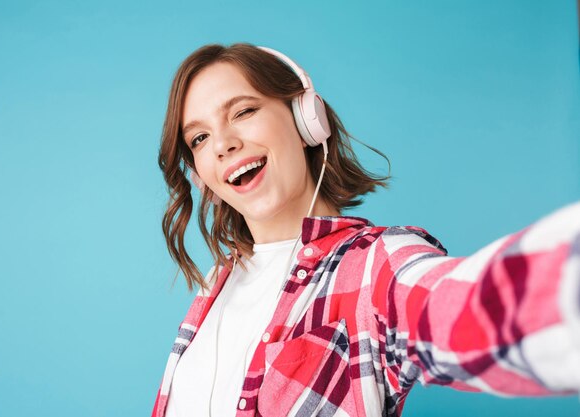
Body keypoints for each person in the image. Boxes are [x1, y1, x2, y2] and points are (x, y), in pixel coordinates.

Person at [151, 42, 580, 417]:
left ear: (306, 120)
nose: (223, 143)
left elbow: (474, 309)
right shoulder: (216, 285)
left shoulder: (376, 266)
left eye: (243, 111)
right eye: (200, 138)